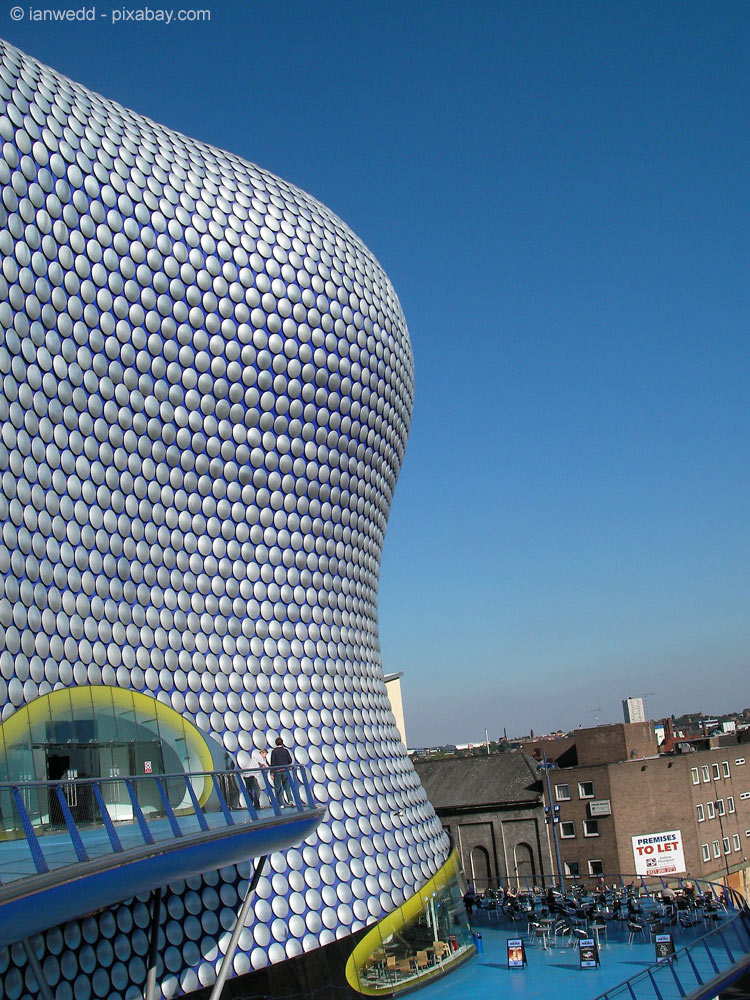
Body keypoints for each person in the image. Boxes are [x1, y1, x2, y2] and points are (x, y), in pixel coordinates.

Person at [270, 736, 294, 806]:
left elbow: (273, 763)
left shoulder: (274, 751)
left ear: (276, 743)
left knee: (278, 787)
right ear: (282, 743)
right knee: (287, 786)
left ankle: (281, 804)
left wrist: (271, 773)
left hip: (277, 771)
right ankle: (290, 800)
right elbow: (290, 761)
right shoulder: (285, 751)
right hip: (285, 771)